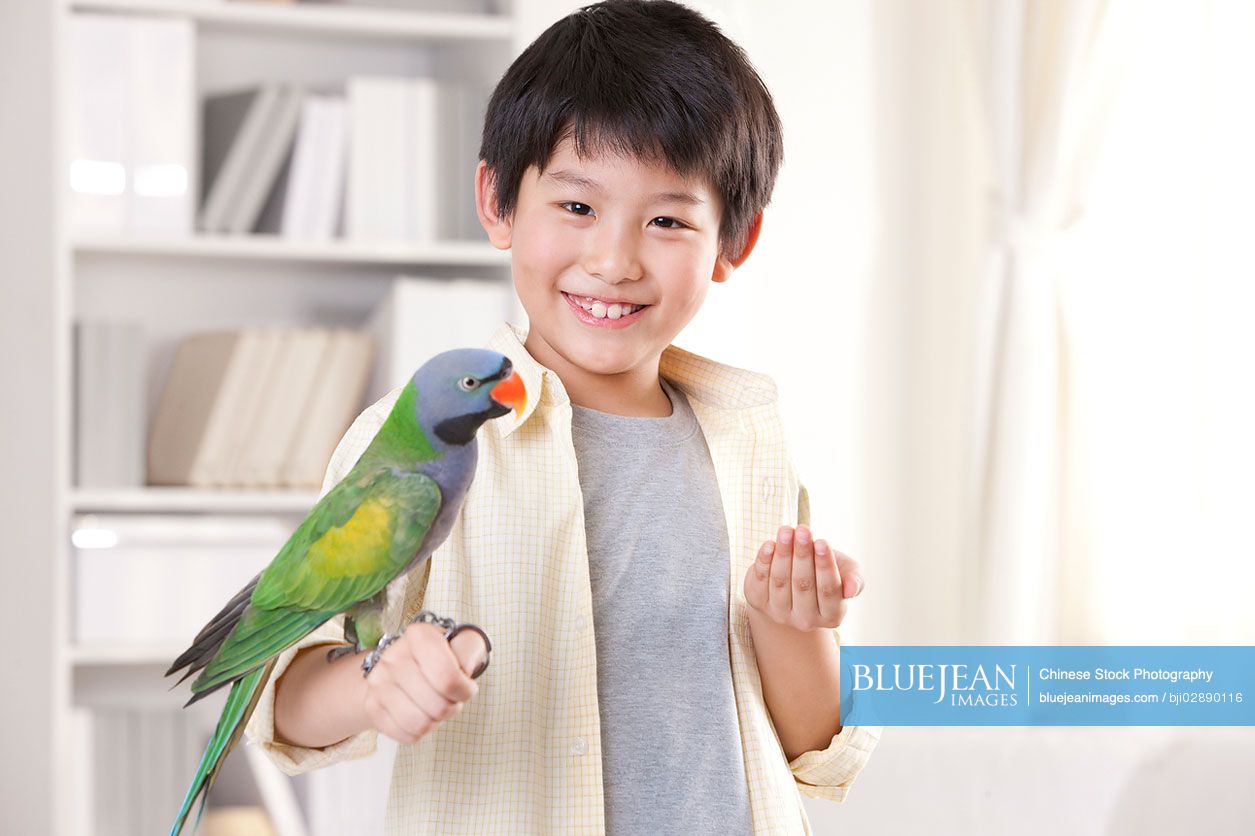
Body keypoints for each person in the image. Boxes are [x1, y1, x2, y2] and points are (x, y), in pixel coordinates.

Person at [246, 1, 881, 832]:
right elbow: (283, 700)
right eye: (577, 208)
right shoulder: (416, 440)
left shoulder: (749, 441)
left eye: (666, 220)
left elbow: (810, 746)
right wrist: (377, 681)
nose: (613, 261)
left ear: (734, 241)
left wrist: (789, 625)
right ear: (498, 202)